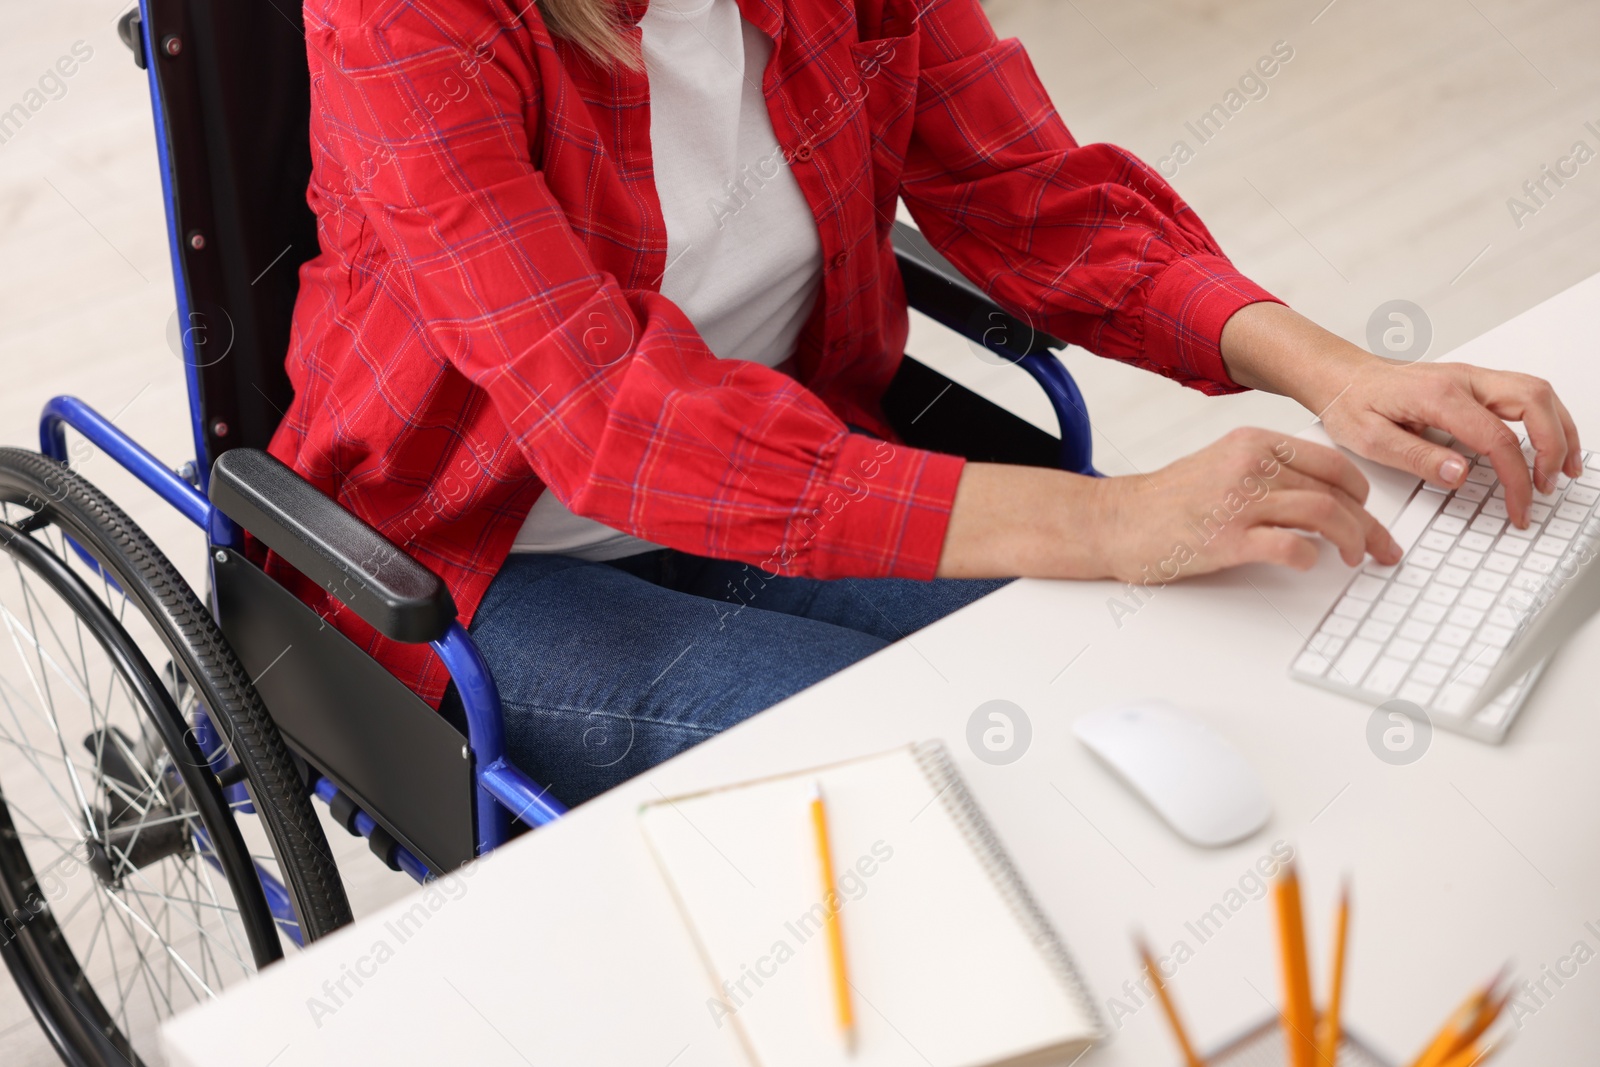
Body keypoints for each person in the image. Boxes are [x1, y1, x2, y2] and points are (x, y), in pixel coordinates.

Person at [268, 0, 1582, 805]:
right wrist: (1106, 522)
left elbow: (1038, 203)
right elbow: (614, 423)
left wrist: (1338, 371)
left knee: (1132, 682)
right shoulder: (409, 17)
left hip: (797, 464)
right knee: (943, 772)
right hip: (482, 554)